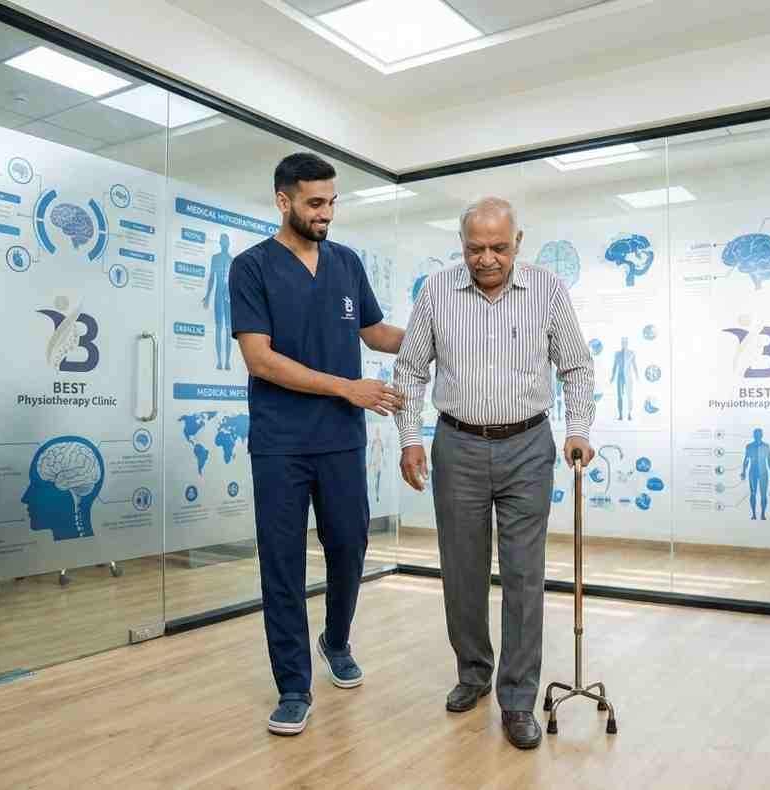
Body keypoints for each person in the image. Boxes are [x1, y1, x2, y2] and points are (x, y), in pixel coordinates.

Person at [394, 196, 595, 750]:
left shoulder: (548, 289)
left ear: (519, 241)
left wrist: (578, 428)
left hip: (529, 444)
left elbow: (576, 365)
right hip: (456, 443)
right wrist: (411, 440)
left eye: (498, 247)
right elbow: (410, 369)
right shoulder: (436, 291)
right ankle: (473, 674)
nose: (486, 259)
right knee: (461, 568)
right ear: (461, 246)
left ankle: (517, 698)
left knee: (524, 575)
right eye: (474, 248)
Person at [230, 152, 405, 737]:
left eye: (332, 202)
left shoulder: (346, 263)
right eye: (315, 203)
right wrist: (347, 387)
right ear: (284, 201)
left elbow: (376, 333)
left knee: (350, 547)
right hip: (281, 443)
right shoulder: (251, 268)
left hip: (340, 443)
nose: (327, 213)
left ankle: (335, 639)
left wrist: (444, 328)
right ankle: (293, 685)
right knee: (282, 564)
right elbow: (260, 358)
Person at [204, 233, 234, 370]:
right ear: (220, 243)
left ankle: (227, 361)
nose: (225, 244)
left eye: (226, 241)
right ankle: (219, 361)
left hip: (228, 297)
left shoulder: (232, 260)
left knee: (228, 329)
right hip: (218, 296)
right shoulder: (215, 258)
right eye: (223, 241)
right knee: (218, 328)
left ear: (228, 244)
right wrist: (208, 296)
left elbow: (234, 283)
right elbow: (211, 278)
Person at [740, 428, 770, 520]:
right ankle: (754, 514)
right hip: (753, 472)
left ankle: (763, 514)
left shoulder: (766, 446)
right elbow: (746, 459)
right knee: (753, 493)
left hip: (763, 473)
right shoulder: (749, 446)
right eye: (756, 434)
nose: (757, 436)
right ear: (753, 435)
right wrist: (743, 471)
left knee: (763, 494)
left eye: (759, 434)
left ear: (762, 435)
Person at [609, 336, 638, 421]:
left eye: (625, 342)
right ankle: (620, 414)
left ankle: (629, 414)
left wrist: (637, 377)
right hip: (620, 377)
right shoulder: (617, 354)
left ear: (627, 343)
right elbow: (614, 366)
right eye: (623, 342)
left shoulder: (631, 353)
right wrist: (612, 377)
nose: (624, 343)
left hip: (629, 377)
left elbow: (634, 366)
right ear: (621, 343)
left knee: (629, 396)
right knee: (620, 396)